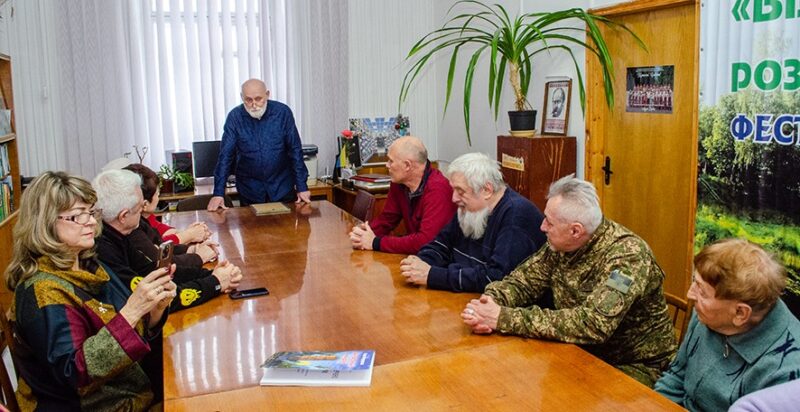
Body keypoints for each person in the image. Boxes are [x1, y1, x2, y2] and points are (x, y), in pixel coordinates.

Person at [461, 175, 676, 387]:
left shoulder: (628, 257)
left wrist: (504, 318)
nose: (542, 226)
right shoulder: (560, 244)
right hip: (578, 350)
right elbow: (522, 281)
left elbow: (592, 324)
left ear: (575, 230)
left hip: (633, 365)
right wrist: (489, 304)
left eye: (549, 222)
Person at [5, 171, 176, 410]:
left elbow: (127, 331)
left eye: (91, 212)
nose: (92, 222)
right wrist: (133, 310)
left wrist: (155, 309)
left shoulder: (90, 264)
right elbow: (74, 373)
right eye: (77, 216)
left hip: (129, 392)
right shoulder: (42, 290)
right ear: (45, 222)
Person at [654, 239, 800, 411]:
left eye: (702, 291)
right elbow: (675, 378)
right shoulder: (708, 315)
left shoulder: (785, 372)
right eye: (695, 281)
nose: (690, 294)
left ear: (740, 313)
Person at [93, 169, 243, 312]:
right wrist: (215, 283)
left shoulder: (118, 234)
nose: (143, 210)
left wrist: (210, 274)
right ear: (123, 216)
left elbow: (154, 271)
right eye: (139, 208)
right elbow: (158, 299)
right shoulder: (105, 249)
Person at [400, 152, 546, 292]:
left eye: (460, 191)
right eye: (453, 190)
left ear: (487, 190)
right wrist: (419, 264)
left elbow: (497, 278)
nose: (454, 198)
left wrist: (432, 275)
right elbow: (441, 244)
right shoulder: (470, 208)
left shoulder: (516, 216)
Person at [208, 78, 310, 210]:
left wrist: (302, 186)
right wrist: (218, 193)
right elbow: (225, 156)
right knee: (252, 230)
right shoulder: (235, 117)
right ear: (242, 97)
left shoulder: (282, 113)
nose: (254, 104)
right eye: (248, 100)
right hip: (250, 190)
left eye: (258, 99)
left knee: (286, 230)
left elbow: (295, 150)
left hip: (282, 187)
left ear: (267, 95)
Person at [349, 136, 456, 254]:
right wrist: (363, 233)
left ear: (407, 165)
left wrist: (375, 242)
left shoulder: (438, 189)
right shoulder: (399, 183)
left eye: (391, 161)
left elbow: (426, 241)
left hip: (439, 262)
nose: (387, 165)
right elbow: (387, 220)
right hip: (416, 257)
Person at [124, 163, 216, 265]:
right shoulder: (132, 229)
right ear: (144, 203)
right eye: (158, 194)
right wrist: (190, 236)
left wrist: (186, 234)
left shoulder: (144, 219)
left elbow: (158, 234)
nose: (158, 198)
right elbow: (159, 253)